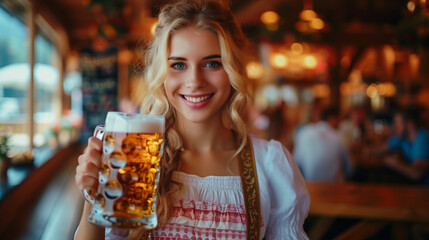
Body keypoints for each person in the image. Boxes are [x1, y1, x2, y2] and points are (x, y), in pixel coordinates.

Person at [74, 0, 310, 239]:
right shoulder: (136, 159)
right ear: (162, 75)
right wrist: (93, 195)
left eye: (212, 63)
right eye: (178, 64)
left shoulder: (269, 164)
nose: (195, 81)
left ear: (233, 69)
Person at [293, 106, 353, 182]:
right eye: (339, 120)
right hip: (335, 188)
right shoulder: (338, 137)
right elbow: (349, 169)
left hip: (309, 187)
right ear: (333, 120)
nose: (340, 124)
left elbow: (296, 162)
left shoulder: (304, 132)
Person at [383, 106, 429, 185]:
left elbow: (416, 174)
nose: (395, 128)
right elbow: (381, 148)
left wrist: (394, 163)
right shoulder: (402, 138)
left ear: (409, 125)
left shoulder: (423, 139)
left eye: (398, 124)